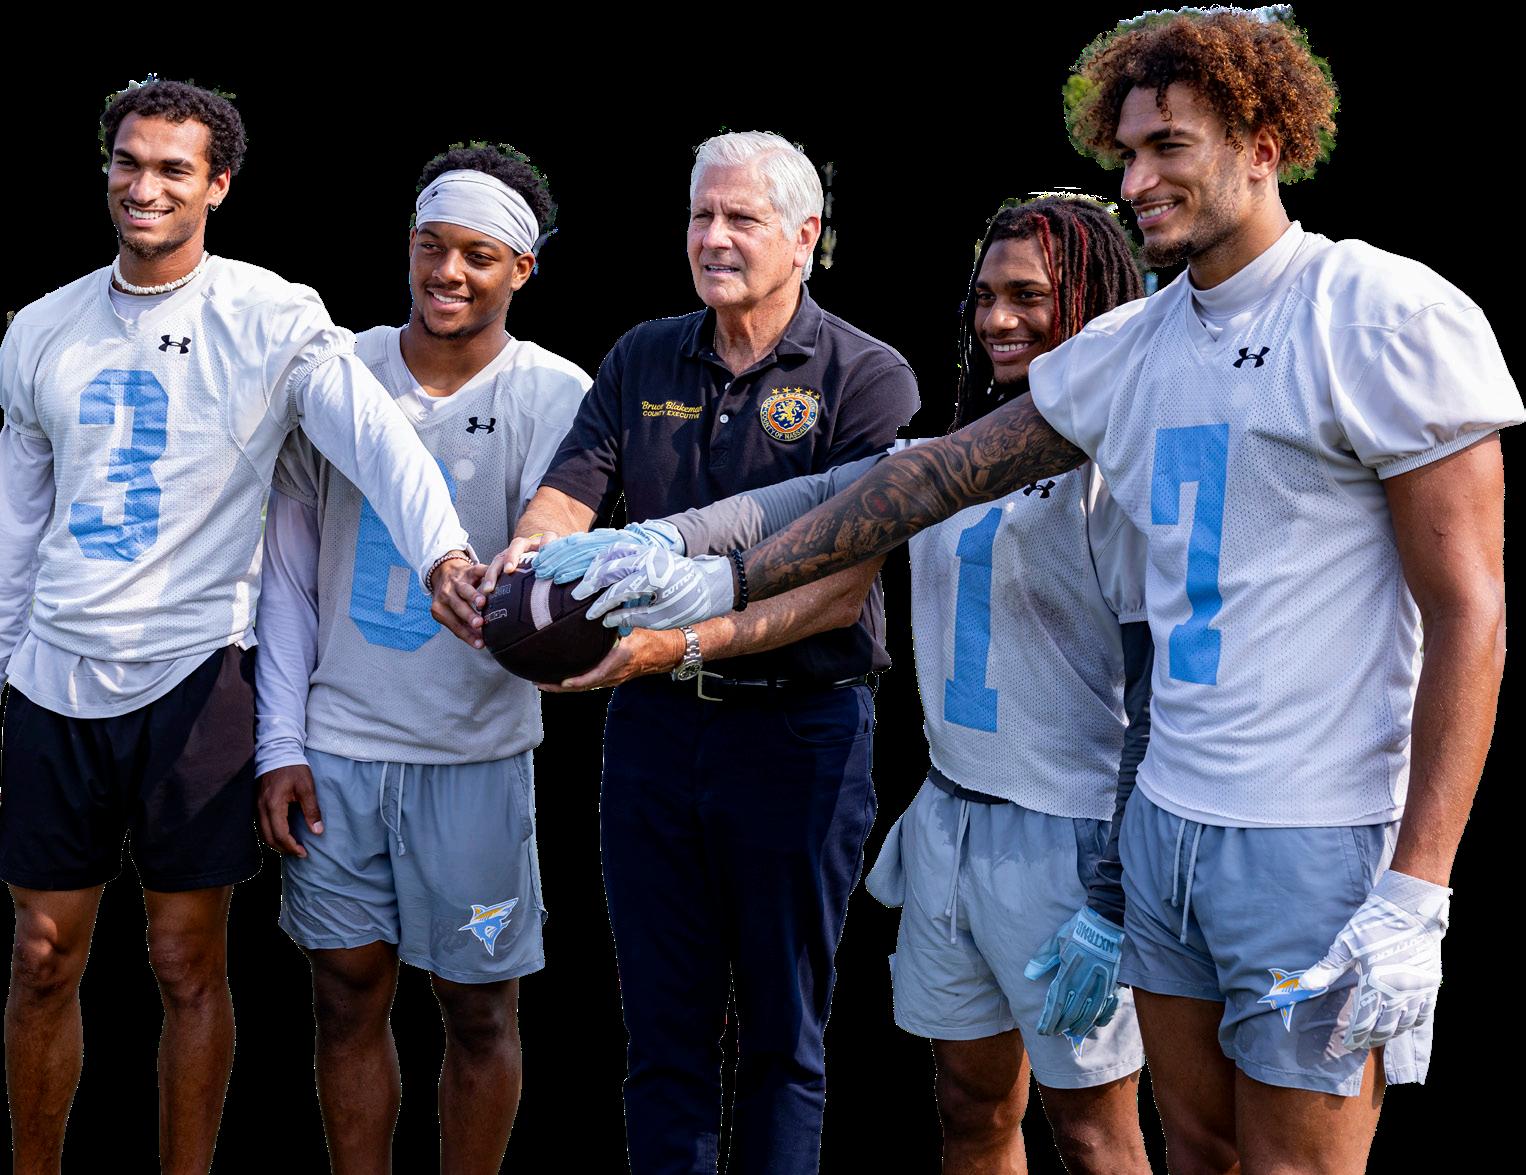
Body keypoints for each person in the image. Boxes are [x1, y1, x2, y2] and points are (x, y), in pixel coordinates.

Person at [572, 10, 1523, 1173]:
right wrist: (712, 566)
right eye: (1125, 154)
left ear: (1263, 144)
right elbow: (925, 477)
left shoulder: (1380, 311)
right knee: (1197, 1150)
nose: (1136, 182)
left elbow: (1469, 612)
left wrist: (1418, 883)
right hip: (1164, 818)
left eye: (1168, 147)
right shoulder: (1130, 345)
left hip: (1308, 827)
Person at [537, 195, 1154, 1174]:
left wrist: (1115, 892)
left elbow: (1154, 702)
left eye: (1028, 296)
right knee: (969, 1109)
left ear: (1093, 298)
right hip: (951, 814)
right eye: (984, 296)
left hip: (1067, 832)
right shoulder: (944, 459)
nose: (997, 320)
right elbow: (809, 500)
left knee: (1089, 1132)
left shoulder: (1121, 475)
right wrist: (662, 538)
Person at [0, 80, 482, 1173]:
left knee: (184, 962)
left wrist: (445, 552)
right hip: (54, 681)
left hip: (195, 676)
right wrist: (10, 669)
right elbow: (20, 523)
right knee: (40, 954)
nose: (145, 186)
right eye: (128, 162)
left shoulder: (272, 316)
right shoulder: (39, 328)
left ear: (217, 184)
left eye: (174, 168)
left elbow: (379, 439)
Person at [477, 130, 919, 1173]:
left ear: (804, 236)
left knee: (782, 1036)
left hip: (800, 732)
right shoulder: (643, 354)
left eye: (741, 218)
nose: (713, 238)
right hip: (653, 732)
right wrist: (524, 566)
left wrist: (672, 640)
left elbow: (838, 586)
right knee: (661, 1033)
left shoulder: (867, 375)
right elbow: (568, 493)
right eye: (699, 215)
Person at [252, 144, 588, 1173]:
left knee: (478, 1007)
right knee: (343, 992)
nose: (447, 272)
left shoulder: (559, 392)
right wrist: (279, 741)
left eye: (477, 255)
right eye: (430, 246)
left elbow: (554, 577)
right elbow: (286, 572)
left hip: (474, 752)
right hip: (341, 743)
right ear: (406, 245)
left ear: (521, 268)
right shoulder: (334, 372)